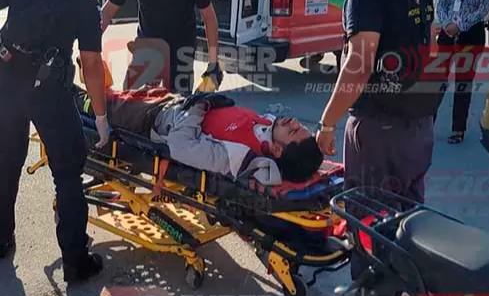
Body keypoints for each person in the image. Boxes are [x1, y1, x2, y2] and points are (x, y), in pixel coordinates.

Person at [0, 0, 115, 281]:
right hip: (49, 90)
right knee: (67, 172)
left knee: (5, 162)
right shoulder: (83, 1)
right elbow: (91, 64)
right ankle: (76, 261)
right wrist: (101, 118)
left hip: (6, 81)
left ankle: (1, 238)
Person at [315, 0, 439, 199]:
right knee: (408, 224)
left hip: (379, 133)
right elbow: (431, 48)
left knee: (369, 222)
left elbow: (358, 67)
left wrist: (327, 123)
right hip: (419, 128)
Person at [78, 86, 325, 185]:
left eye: (293, 130)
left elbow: (181, 147)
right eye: (299, 125)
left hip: (153, 120)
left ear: (278, 150)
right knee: (111, 92)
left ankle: (68, 96)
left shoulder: (235, 156)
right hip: (170, 103)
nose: (293, 121)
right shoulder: (269, 131)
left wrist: (200, 106)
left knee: (97, 104)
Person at [435, 0, 489, 144]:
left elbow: (483, 9)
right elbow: (442, 3)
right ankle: (427, 124)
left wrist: (459, 26)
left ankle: (458, 129)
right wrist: (446, 24)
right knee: (437, 79)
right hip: (447, 33)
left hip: (471, 34)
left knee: (463, 81)